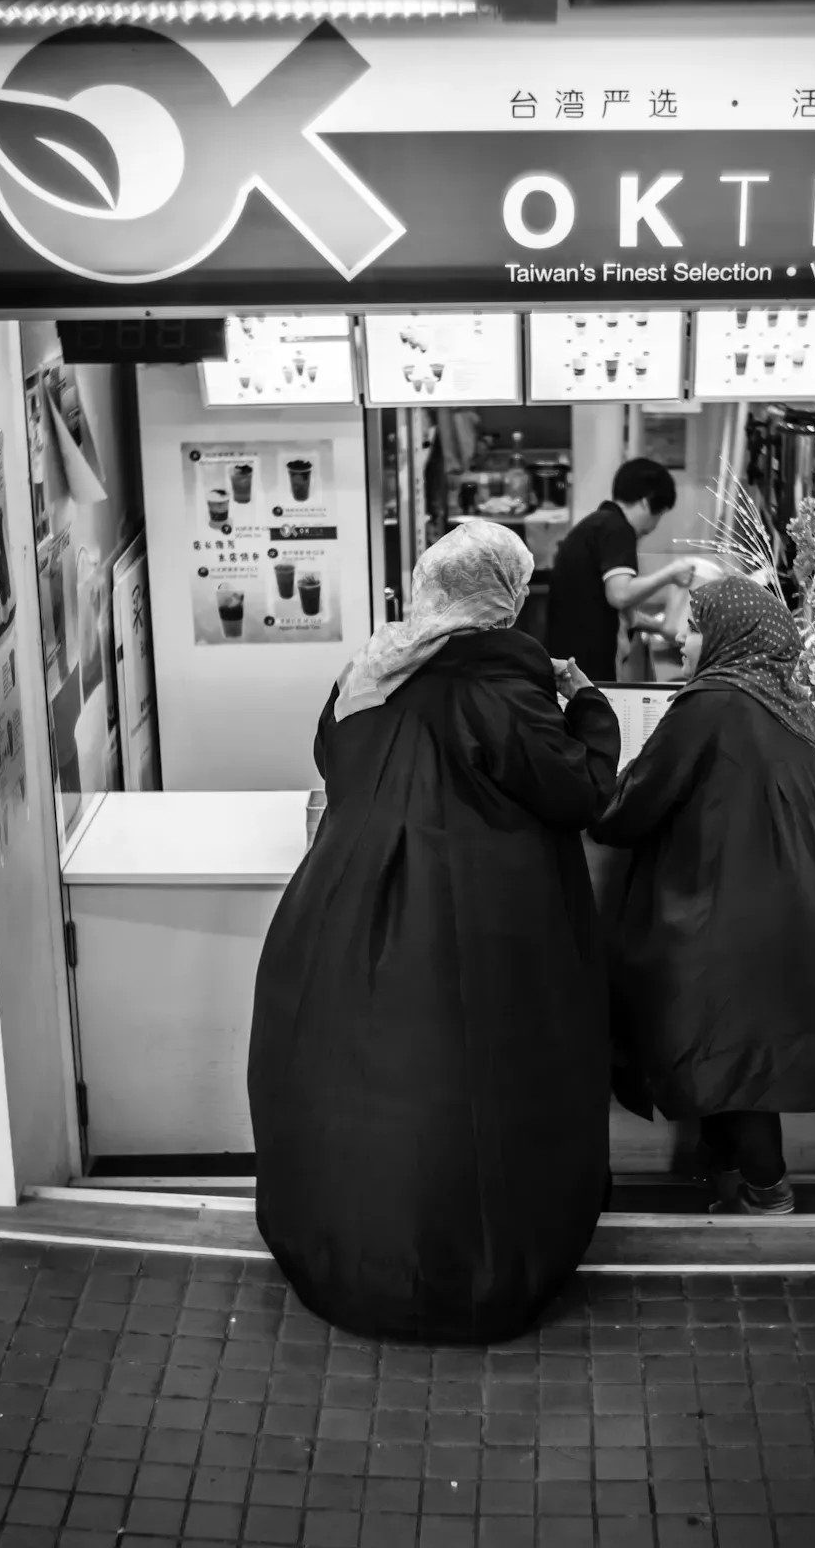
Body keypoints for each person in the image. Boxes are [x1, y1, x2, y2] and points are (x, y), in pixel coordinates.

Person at [248, 520, 620, 1344]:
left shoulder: (368, 672)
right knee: (482, 1098)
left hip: (338, 915)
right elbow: (580, 791)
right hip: (487, 931)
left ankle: (348, 1259)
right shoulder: (504, 689)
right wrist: (589, 703)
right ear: (505, 599)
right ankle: (471, 1281)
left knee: (353, 1086)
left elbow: (333, 760)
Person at [590, 574, 815, 1215]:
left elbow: (629, 808)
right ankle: (721, 1168)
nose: (681, 640)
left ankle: (769, 1192)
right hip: (802, 903)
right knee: (743, 1043)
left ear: (728, 636)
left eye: (694, 628)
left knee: (729, 1044)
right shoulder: (790, 703)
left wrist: (587, 744)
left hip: (735, 909)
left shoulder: (712, 701)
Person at [545, 457, 697, 683]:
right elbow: (620, 595)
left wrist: (661, 628)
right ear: (646, 502)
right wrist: (671, 574)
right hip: (588, 670)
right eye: (660, 514)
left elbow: (614, 609)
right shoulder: (618, 529)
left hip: (570, 664)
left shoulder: (598, 525)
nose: (655, 526)